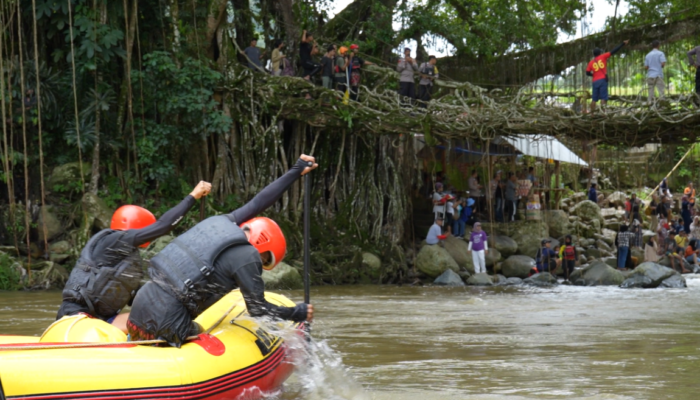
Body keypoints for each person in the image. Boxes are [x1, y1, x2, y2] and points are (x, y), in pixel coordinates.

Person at [127, 155, 318, 347]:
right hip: (166, 323)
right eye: (265, 259)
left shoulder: (223, 222)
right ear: (263, 247)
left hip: (138, 309)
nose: (260, 263)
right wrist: (297, 313)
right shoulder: (248, 257)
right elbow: (258, 309)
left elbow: (259, 202)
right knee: (199, 332)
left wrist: (297, 169)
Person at [56, 181, 212, 332]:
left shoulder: (125, 257)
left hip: (102, 321)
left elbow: (142, 297)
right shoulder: (111, 241)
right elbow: (163, 226)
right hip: (76, 318)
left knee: (158, 315)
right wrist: (193, 196)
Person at [586, 40, 629, 113]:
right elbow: (614, 51)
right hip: (603, 80)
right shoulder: (603, 56)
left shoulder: (591, 62)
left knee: (594, 99)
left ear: (594, 55)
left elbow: (587, 72)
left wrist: (593, 74)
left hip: (595, 81)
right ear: (600, 53)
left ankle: (591, 113)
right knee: (603, 98)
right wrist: (623, 44)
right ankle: (603, 113)